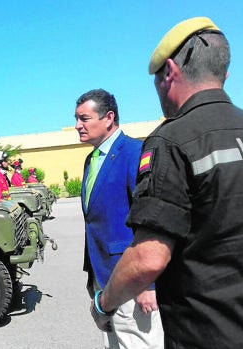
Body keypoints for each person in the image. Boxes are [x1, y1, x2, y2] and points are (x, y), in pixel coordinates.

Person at [91, 17, 243, 348]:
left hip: (207, 334)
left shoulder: (171, 140)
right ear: (223, 73)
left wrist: (104, 304)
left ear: (170, 71)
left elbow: (148, 258)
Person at [75, 89, 163, 348]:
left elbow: (149, 219)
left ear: (109, 118)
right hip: (102, 275)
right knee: (114, 342)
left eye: (84, 118)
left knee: (138, 341)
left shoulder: (134, 152)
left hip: (132, 279)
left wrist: (149, 283)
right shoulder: (91, 160)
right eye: (76, 118)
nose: (77, 125)